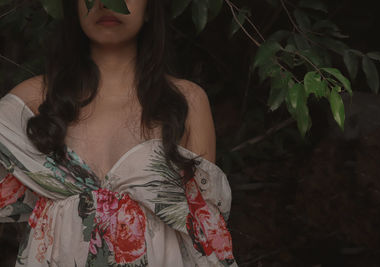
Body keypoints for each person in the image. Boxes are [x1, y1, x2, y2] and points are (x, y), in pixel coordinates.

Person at [0, 0, 237, 266]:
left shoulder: (188, 103)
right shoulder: (30, 102)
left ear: (150, 8)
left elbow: (206, 245)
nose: (106, 2)